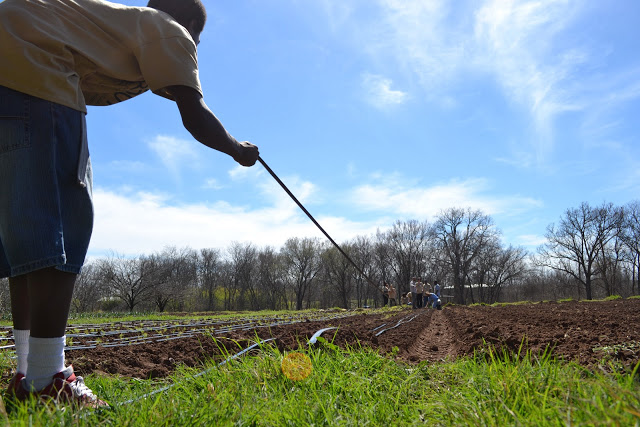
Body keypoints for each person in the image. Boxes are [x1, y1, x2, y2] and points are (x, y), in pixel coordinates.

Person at [0, 0, 259, 408]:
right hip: (37, 71)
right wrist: (236, 149)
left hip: (11, 61)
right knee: (61, 220)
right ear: (191, 24)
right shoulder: (171, 28)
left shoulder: (124, 24)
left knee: (26, 226)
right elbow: (194, 113)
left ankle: (27, 374)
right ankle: (48, 378)